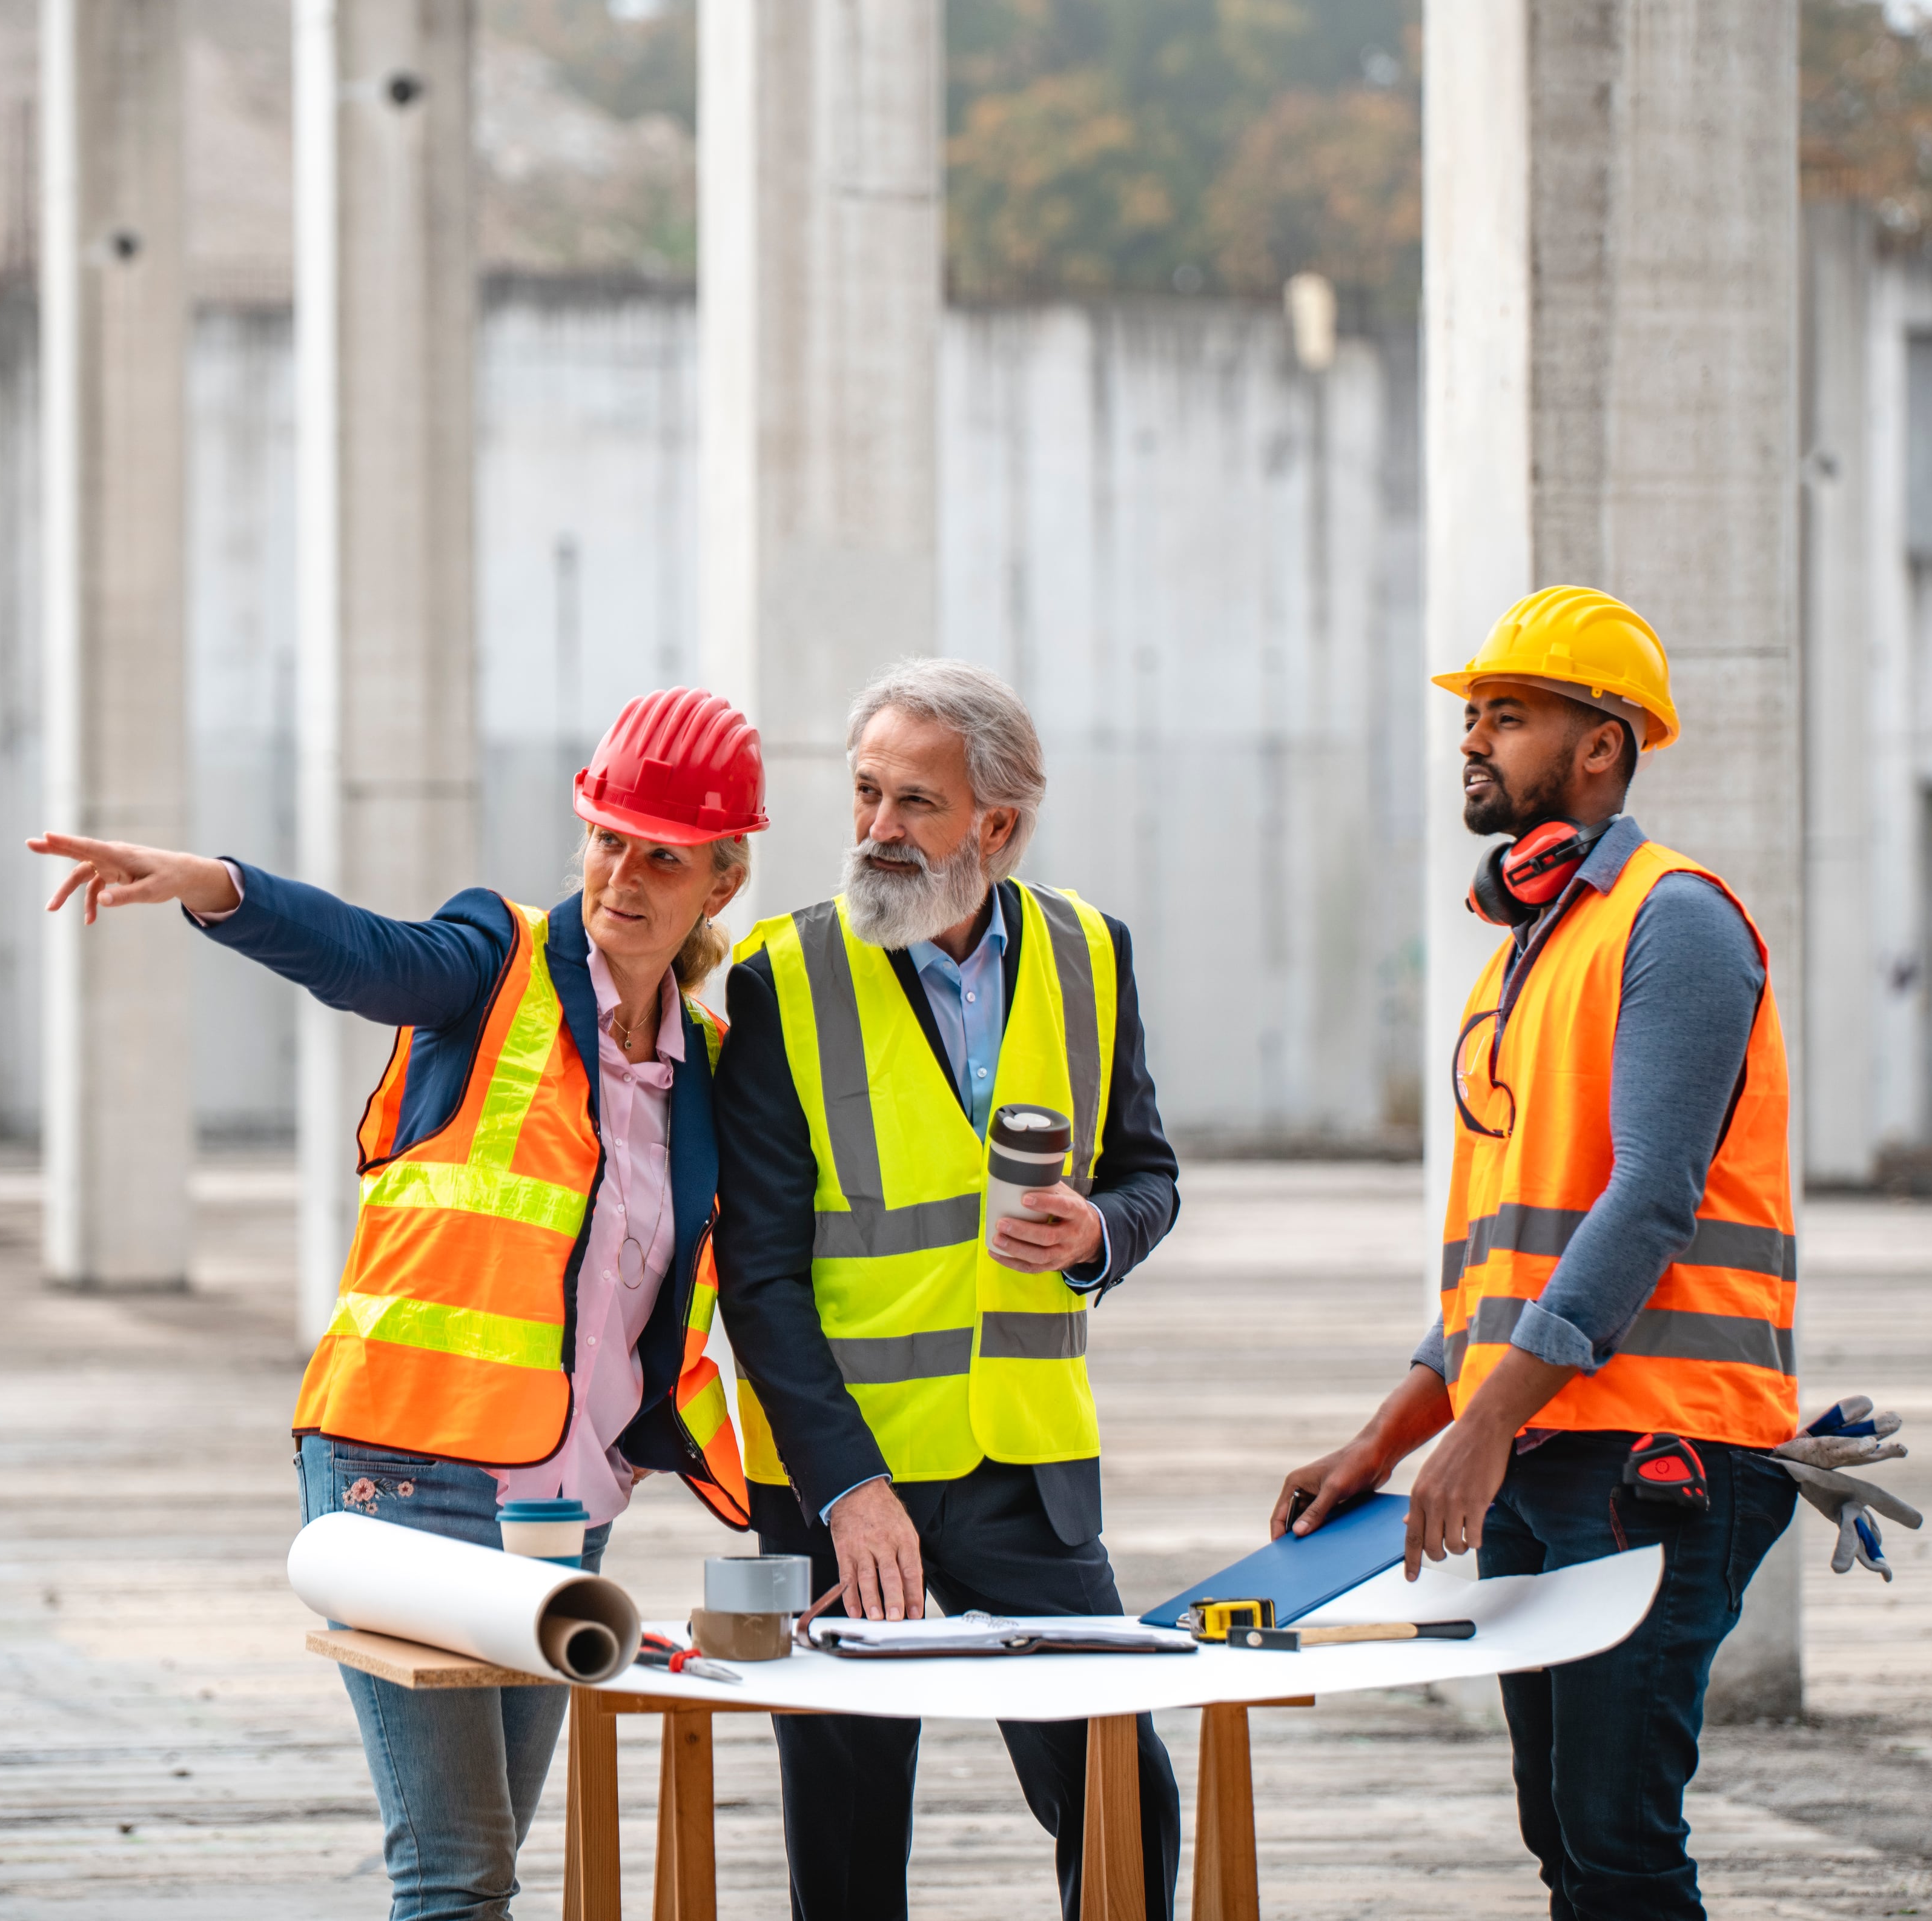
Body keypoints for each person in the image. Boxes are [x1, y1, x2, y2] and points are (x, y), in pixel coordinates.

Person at [28, 686, 766, 1921]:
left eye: (663, 856)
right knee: (455, 1873)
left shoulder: (707, 1065)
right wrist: (222, 887)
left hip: (561, 1504)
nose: (623, 875)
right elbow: (372, 956)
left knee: (492, 1865)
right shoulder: (497, 963)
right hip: (401, 1473)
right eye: (607, 839)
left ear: (721, 880)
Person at [1272, 586, 1797, 1921]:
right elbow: (1495, 1266)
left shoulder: (1674, 921)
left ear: (1601, 745)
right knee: (1563, 1836)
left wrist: (1486, 1423)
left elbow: (1651, 1200)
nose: (1472, 740)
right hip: (1543, 1449)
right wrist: (1385, 1438)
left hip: (1655, 1455)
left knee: (1619, 1847)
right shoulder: (1526, 952)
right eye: (1472, 715)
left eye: (1506, 716)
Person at [713, 658, 1185, 1921]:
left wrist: (1098, 1231)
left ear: (998, 825)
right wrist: (846, 1489)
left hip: (1025, 1468)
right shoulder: (780, 976)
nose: (878, 826)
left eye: (915, 801)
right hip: (842, 1478)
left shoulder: (1091, 954)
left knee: (1122, 1791)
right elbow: (757, 1277)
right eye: (866, 790)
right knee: (850, 1835)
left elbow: (1147, 1175)